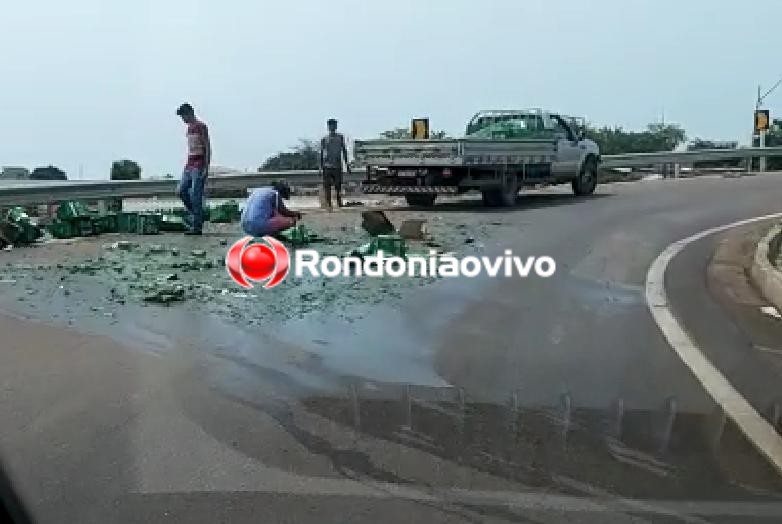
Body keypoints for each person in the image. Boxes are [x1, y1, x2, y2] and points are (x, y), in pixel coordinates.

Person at [176, 103, 211, 235]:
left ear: (189, 113)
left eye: (184, 116)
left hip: (199, 163)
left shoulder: (201, 126)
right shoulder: (189, 129)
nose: (183, 120)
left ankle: (197, 227)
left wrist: (206, 167)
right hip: (189, 163)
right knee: (181, 190)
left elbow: (207, 146)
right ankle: (197, 216)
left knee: (196, 195)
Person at [319, 118, 350, 210]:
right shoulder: (324, 139)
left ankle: (339, 202)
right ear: (328, 127)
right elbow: (321, 153)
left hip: (337, 165)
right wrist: (320, 167)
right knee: (327, 186)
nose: (332, 127)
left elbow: (344, 150)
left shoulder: (340, 137)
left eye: (334, 125)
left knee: (338, 185)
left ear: (336, 126)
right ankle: (328, 203)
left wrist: (347, 164)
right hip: (327, 166)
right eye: (331, 125)